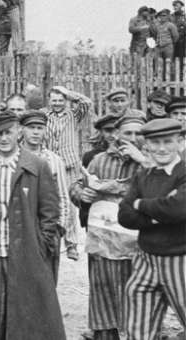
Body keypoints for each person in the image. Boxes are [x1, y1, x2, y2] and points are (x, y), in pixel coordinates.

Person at [0, 112, 66, 340]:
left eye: (8, 132)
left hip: (27, 250)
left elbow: (50, 211)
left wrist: (41, 244)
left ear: (18, 131)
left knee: (27, 311)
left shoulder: (37, 166)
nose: (3, 138)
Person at [70, 111, 146, 340]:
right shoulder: (100, 160)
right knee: (103, 295)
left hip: (139, 245)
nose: (133, 138)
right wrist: (83, 194)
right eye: (127, 133)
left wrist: (141, 159)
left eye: (138, 133)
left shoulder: (152, 161)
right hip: (103, 242)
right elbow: (76, 187)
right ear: (117, 135)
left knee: (138, 299)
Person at [117, 118, 186, 340]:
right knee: (138, 329)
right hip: (146, 259)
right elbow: (124, 215)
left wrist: (141, 205)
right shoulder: (143, 175)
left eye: (168, 141)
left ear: (180, 141)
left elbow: (177, 209)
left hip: (179, 259)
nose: (162, 148)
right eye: (155, 143)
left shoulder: (183, 172)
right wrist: (157, 215)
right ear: (146, 145)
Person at [19, 110, 78, 272]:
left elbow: (63, 196)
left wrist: (60, 228)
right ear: (22, 129)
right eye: (31, 127)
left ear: (46, 130)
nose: (36, 132)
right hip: (20, 225)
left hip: (47, 226)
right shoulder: (15, 156)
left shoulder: (53, 159)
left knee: (47, 275)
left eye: (40, 128)